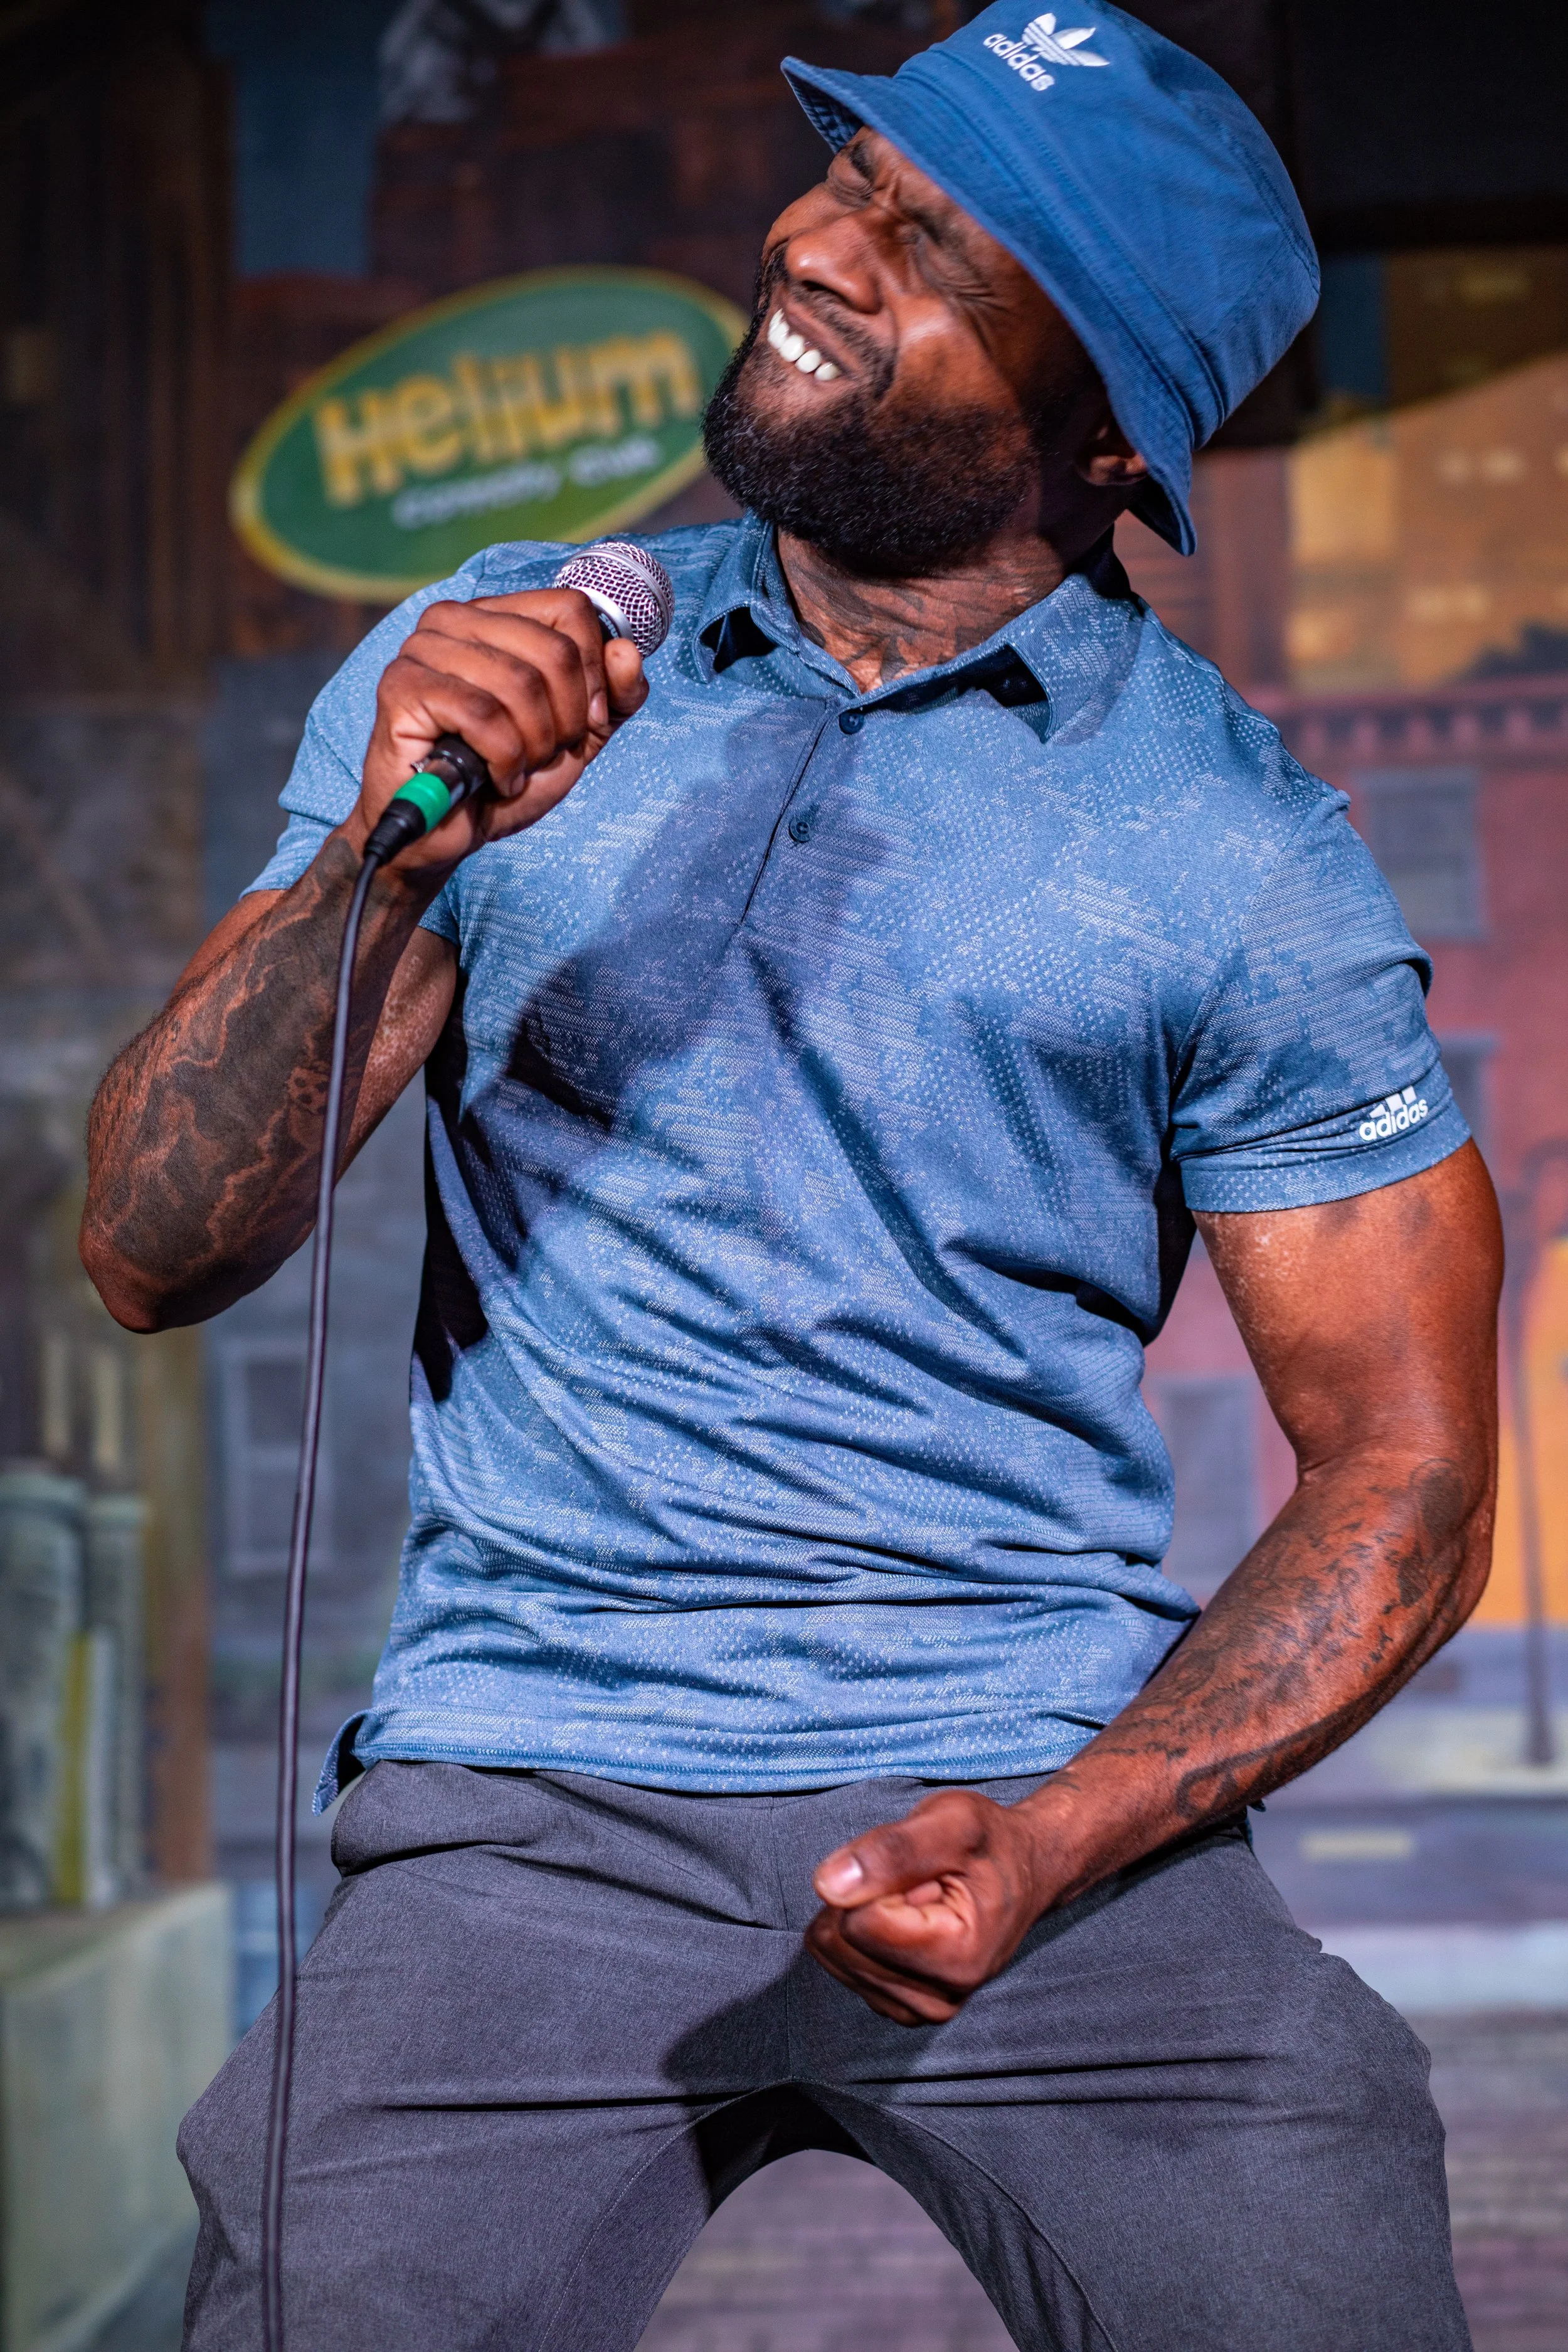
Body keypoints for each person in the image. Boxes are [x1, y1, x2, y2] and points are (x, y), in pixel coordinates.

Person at [83, 8, 1499, 2348]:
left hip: (1041, 1792)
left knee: (1323, 2223)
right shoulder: (506, 665)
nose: (811, 240)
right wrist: (388, 864)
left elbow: (1411, 1469)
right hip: (536, 1788)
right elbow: (150, 1251)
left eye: (929, 238)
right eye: (847, 172)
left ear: (1107, 422)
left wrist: (1067, 1827)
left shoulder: (1239, 855)